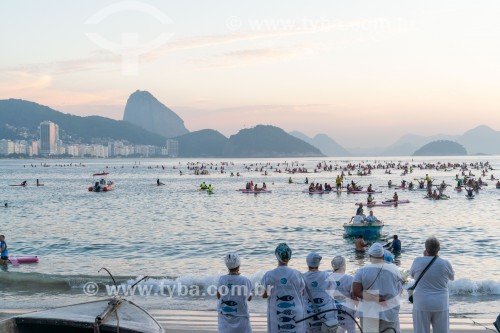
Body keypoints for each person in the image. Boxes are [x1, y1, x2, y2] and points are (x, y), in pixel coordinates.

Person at [352, 243, 402, 333]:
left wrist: (376, 298)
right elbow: (399, 289)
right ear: (383, 255)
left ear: (370, 256)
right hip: (389, 309)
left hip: (369, 309)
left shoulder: (362, 270)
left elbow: (355, 292)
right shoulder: (394, 269)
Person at [409, 237, 455, 333]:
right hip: (441, 302)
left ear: (425, 248)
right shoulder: (445, 263)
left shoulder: (417, 261)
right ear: (438, 249)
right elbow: (452, 277)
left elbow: (412, 275)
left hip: (422, 302)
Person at [261, 243, 305, 333]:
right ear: (289, 257)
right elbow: (302, 292)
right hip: (296, 310)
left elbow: (265, 295)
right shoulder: (297, 274)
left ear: (277, 256)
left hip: (276, 311)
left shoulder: (269, 275)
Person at [217, 252, 253, 333]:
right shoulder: (245, 280)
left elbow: (218, 296)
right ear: (238, 265)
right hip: (241, 315)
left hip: (224, 315)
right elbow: (249, 298)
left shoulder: (222, 279)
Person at [302, 252, 338, 332]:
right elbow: (332, 291)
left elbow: (300, 293)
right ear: (318, 263)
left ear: (307, 263)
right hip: (326, 314)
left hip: (309, 315)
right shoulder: (326, 276)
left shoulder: (302, 277)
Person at [331, 256, 356, 333]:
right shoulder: (350, 279)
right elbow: (354, 296)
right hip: (347, 311)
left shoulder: (328, 277)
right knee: (350, 330)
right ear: (344, 266)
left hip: (333, 310)